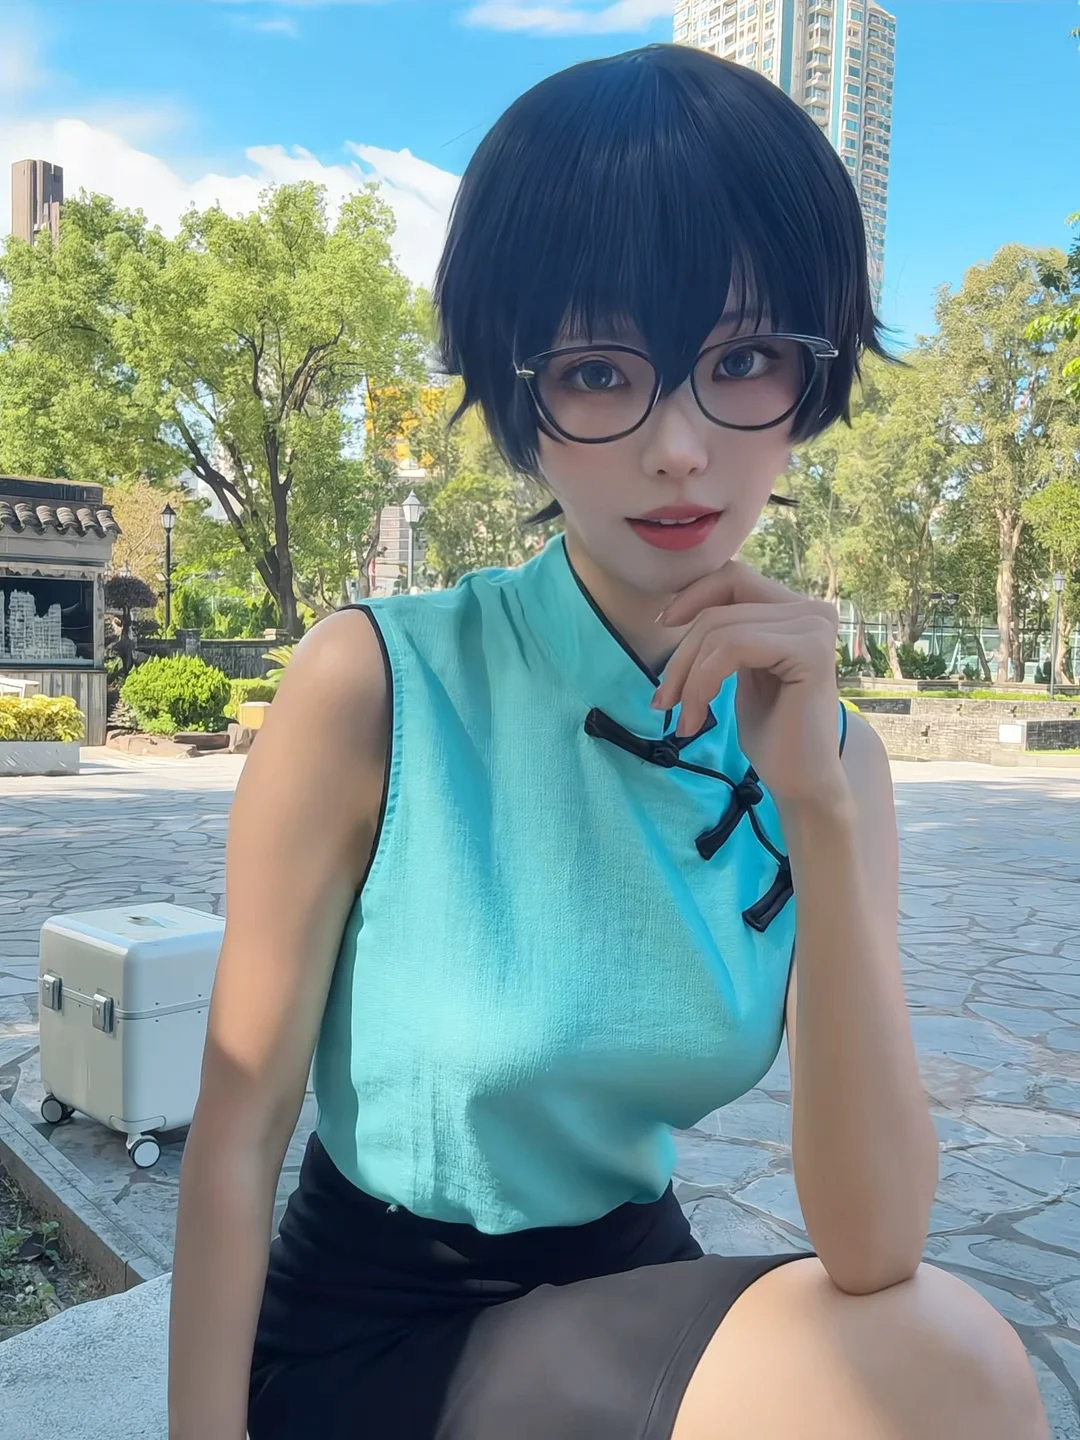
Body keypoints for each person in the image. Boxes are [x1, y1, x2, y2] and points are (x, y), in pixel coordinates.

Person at [167, 43, 1049, 1440]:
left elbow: (877, 1247)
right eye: (597, 370)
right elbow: (235, 1134)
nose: (680, 446)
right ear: (520, 397)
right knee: (951, 1372)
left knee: (935, 1360)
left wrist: (818, 805)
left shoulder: (833, 757)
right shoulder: (380, 683)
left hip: (629, 1288)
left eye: (741, 360)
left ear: (810, 377)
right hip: (385, 1330)